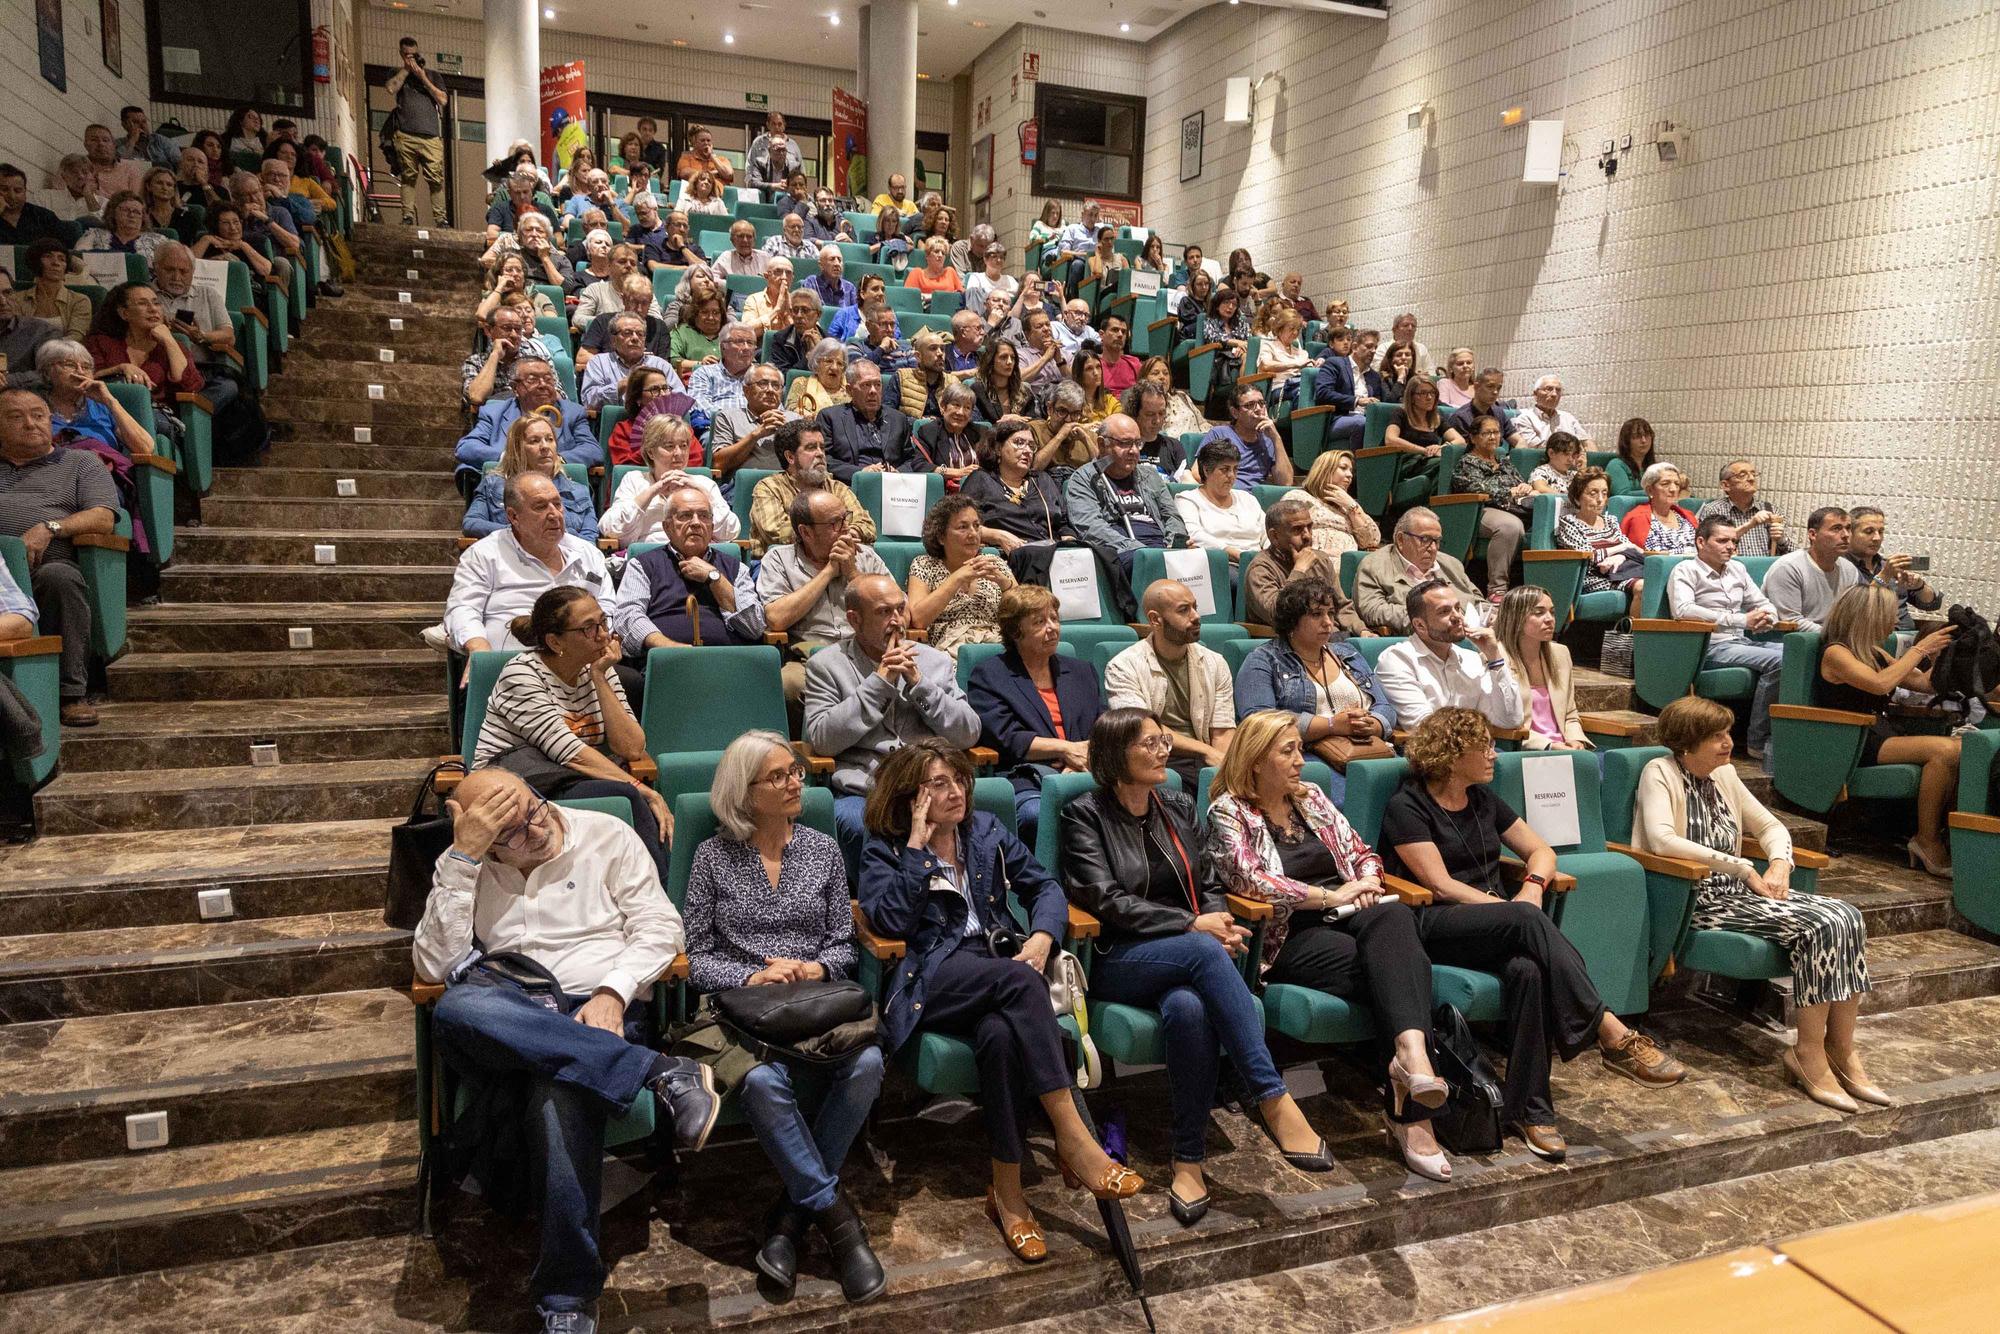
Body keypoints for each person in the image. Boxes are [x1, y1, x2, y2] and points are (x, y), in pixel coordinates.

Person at [413, 766, 716, 1334]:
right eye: (517, 832)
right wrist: (464, 859)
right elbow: (435, 966)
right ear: (484, 838)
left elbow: (660, 927)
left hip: (598, 1008)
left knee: (558, 1095)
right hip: (508, 1010)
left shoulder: (605, 834)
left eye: (535, 808)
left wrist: (612, 991)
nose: (539, 827)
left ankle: (568, 1296)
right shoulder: (466, 865)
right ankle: (656, 1072)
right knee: (458, 1008)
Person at [1062, 709, 1338, 1222]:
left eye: (1164, 740)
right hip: (1116, 956)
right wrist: (1194, 926)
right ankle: (1271, 1097)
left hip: (1185, 958)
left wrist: (1215, 917)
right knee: (1206, 952)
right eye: (1149, 743)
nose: (1164, 749)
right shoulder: (1084, 813)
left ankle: (1188, 1160)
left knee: (1188, 1010)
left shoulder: (1177, 804)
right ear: (1115, 754)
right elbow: (1104, 899)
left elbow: (1209, 880)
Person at [1384, 708, 1686, 1160]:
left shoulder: (1482, 799)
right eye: (1482, 746)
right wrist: (1514, 911)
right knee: (1527, 921)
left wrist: (1533, 886)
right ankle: (1610, 1032)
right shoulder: (1407, 806)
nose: (1494, 755)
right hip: (1436, 923)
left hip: (1499, 923)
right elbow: (1440, 885)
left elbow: (1540, 850)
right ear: (1451, 755)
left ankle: (1533, 1112)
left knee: (1529, 971)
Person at [681, 733, 888, 1303]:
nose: (796, 781)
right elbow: (695, 954)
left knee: (867, 1062)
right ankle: (839, 1223)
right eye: (778, 776)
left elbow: (843, 943)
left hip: (816, 1001)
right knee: (762, 1080)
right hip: (742, 1010)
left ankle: (789, 1221)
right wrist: (749, 975)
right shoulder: (711, 856)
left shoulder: (822, 849)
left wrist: (815, 968)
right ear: (743, 793)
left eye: (795, 771)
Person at [1205, 710, 1450, 1181]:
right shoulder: (1229, 811)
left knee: (1394, 916)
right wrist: (1327, 895)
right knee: (1400, 974)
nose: (1301, 760)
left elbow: (1361, 852)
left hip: (1351, 917)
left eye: (1300, 748)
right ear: (1255, 760)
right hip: (1289, 935)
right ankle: (1414, 1116)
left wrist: (1364, 883)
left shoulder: (1312, 798)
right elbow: (1250, 880)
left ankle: (1412, 1061)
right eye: (1288, 751)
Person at [1633, 696, 1881, 1107]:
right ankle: (1807, 1053)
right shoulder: (1658, 772)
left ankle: (1841, 1050)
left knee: (1848, 915)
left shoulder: (1724, 774)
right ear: (1687, 743)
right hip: (1697, 900)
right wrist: (1743, 868)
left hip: (1738, 896)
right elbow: (1661, 839)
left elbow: (1770, 826)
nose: (1728, 742)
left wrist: (1780, 864)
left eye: (1728, 732)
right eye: (1716, 736)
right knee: (1820, 924)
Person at [470, 585, 671, 873]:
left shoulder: (599, 668)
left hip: (570, 778)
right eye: (589, 628)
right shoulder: (522, 674)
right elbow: (569, 752)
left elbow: (631, 747)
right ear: (555, 642)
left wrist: (600, 678)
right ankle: (662, 894)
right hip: (513, 783)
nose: (603, 634)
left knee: (627, 794)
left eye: (603, 622)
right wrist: (643, 790)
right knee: (629, 796)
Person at [804, 575, 982, 853]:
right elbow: (822, 740)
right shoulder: (825, 666)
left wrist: (920, 685)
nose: (897, 620)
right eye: (884, 612)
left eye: (900, 608)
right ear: (855, 619)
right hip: (866, 790)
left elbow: (968, 733)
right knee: (855, 824)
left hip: (932, 785)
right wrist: (879, 684)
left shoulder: (934, 661)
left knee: (982, 822)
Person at [0, 388, 119, 725]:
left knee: (61, 578)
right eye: (15, 416)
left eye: (38, 415)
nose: (30, 424)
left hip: (42, 568)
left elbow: (103, 517)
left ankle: (71, 693)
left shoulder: (81, 462)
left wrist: (50, 527)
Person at [1235, 579, 1394, 799]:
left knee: (1415, 797)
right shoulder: (1263, 660)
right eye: (1317, 614)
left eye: (1330, 613)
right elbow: (1260, 720)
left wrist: (1371, 724)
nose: (1328, 622)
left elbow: (1384, 706)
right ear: (1292, 620)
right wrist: (1331, 725)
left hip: (1368, 749)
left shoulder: (1347, 653)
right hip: (1306, 756)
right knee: (1349, 800)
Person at [966, 585, 1103, 838]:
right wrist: (1065, 749)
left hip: (1088, 770)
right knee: (1036, 815)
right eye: (1039, 622)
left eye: (1054, 618)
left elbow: (1104, 725)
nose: (1051, 627)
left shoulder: (1082, 671)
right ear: (1016, 631)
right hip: (1030, 777)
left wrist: (1085, 757)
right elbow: (1007, 736)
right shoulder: (990, 675)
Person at [445, 473, 612, 665]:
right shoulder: (484, 554)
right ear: (513, 516)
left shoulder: (588, 554)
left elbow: (607, 606)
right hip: (509, 665)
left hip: (582, 663)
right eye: (540, 507)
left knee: (631, 683)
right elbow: (463, 608)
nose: (554, 515)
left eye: (557, 504)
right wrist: (478, 647)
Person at [759, 489, 892, 709]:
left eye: (845, 518)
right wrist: (829, 571)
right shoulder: (779, 560)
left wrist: (852, 573)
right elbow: (775, 618)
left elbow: (900, 612)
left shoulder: (866, 557)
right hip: (809, 658)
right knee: (788, 684)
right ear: (806, 532)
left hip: (868, 651)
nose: (846, 528)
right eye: (834, 523)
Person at [1668, 516, 1785, 764]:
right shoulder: (1686, 570)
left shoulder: (1738, 569)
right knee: (1782, 660)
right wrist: (1741, 620)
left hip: (1741, 644)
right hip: (1708, 647)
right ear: (1701, 542)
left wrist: (1769, 617)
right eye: (1722, 541)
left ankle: (1787, 736)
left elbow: (1762, 602)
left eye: (1734, 540)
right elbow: (1683, 610)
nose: (1731, 546)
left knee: (1798, 654)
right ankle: (1757, 741)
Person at [1104, 581, 1237, 787]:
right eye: (1184, 610)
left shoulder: (1215, 663)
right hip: (1155, 758)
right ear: (1155, 619)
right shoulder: (1123, 666)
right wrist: (1207, 752)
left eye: (1195, 607)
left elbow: (1222, 731)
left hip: (1204, 760)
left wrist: (1226, 769)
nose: (1196, 616)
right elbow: (1143, 730)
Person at [610, 484, 762, 652]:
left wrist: (714, 578)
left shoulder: (735, 568)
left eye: (704, 516)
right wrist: (668, 647)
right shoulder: (643, 565)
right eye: (685, 515)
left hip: (725, 662)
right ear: (667, 527)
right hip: (666, 661)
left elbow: (754, 627)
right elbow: (628, 615)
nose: (696, 523)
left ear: (712, 526)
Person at [1378, 580, 1525, 733]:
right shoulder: (1398, 660)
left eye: (1457, 608)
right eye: (1444, 611)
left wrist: (1495, 657)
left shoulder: (1471, 659)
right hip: (1431, 755)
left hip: (1481, 751)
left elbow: (1510, 720)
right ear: (1420, 625)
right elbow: (1425, 728)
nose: (1457, 617)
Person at [1064, 413, 1191, 571]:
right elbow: (1091, 528)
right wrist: (1143, 551)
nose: (1134, 451)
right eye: (1125, 443)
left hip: (1162, 548)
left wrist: (1173, 545)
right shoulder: (1084, 479)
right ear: (1102, 444)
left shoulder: (1149, 475)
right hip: (1122, 553)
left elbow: (1171, 515)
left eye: (1137, 443)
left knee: (1209, 564)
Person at [454, 361, 600, 489]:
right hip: (505, 487)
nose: (543, 385)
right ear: (515, 388)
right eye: (533, 380)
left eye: (548, 379)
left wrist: (556, 458)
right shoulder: (494, 412)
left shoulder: (572, 412)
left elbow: (593, 450)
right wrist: (512, 458)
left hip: (557, 486)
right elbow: (465, 447)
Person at [601, 414, 735, 547]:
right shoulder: (634, 480)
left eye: (683, 446)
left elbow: (730, 532)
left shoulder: (704, 483)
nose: (678, 453)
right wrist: (654, 490)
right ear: (651, 452)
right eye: (669, 446)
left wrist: (701, 492)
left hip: (695, 557)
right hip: (649, 557)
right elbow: (610, 529)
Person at [462, 412, 598, 542]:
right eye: (534, 441)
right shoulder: (493, 484)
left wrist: (555, 536)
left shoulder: (579, 492)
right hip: (510, 559)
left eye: (549, 439)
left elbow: (589, 540)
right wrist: (519, 532)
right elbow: (471, 523)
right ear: (517, 449)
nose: (545, 446)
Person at [747, 420, 874, 558]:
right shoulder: (769, 488)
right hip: (782, 564)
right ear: (790, 457)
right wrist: (835, 534)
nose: (820, 453)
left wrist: (850, 532)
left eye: (822, 447)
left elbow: (866, 524)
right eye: (811, 447)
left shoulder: (837, 488)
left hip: (835, 558)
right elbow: (776, 531)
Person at [909, 496, 1016, 659]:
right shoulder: (925, 565)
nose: (973, 534)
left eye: (976, 526)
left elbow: (1025, 613)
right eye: (963, 527)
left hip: (998, 648)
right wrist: (957, 578)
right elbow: (917, 619)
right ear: (941, 537)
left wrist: (1005, 584)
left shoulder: (995, 563)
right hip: (950, 653)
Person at [84, 283, 202, 426]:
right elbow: (84, 379)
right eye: (143, 303)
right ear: (124, 313)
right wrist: (120, 368)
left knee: (141, 420)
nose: (153, 309)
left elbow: (190, 387)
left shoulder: (172, 347)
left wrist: (169, 340)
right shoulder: (100, 342)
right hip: (106, 411)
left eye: (156, 303)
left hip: (155, 416)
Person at [1242, 498, 1367, 633]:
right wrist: (1299, 570)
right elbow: (1278, 614)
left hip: (1331, 639)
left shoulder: (1321, 560)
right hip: (1285, 646)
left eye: (1309, 527)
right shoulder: (1261, 569)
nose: (1307, 535)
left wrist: (1362, 631)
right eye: (1297, 529)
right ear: (1274, 536)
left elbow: (1341, 606)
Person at [1354, 508, 1480, 634]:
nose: (1433, 548)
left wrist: (1491, 615)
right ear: (1401, 540)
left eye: (1436, 541)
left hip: (1470, 634)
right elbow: (1372, 609)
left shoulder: (1451, 563)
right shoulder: (1374, 565)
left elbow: (1478, 600)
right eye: (1425, 539)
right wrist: (1429, 618)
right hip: (1417, 640)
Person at [1494, 586, 1590, 750]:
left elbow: (1570, 714)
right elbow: (1502, 724)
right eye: (1539, 613)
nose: (1549, 619)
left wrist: (1576, 740)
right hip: (1528, 750)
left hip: (1565, 748)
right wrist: (1550, 745)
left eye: (1552, 612)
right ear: (1515, 617)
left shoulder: (1560, 653)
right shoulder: (1495, 657)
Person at [958, 416, 1074, 551]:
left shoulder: (1043, 480)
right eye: (1019, 443)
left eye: (1031, 446)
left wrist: (1070, 542)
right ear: (998, 448)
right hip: (1008, 557)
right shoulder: (981, 479)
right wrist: (997, 535)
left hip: (1051, 554)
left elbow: (1063, 523)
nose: (1027, 451)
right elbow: (960, 523)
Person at [1450, 413, 1532, 599]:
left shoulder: (1504, 462)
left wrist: (1525, 487)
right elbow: (1474, 488)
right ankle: (1497, 590)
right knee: (1509, 527)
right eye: (1487, 433)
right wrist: (1509, 492)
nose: (1494, 437)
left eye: (1496, 432)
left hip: (1514, 507)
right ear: (1473, 437)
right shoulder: (1467, 462)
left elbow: (1519, 482)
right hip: (1478, 510)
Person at [36, 339, 153, 458]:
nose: (80, 372)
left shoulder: (103, 407)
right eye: (70, 365)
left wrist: (110, 401)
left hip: (100, 473)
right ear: (47, 371)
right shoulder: (34, 407)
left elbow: (145, 448)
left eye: (86, 367)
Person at [1556, 467, 1647, 616]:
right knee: (1643, 588)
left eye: (1604, 493)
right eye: (1593, 493)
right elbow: (1589, 558)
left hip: (1620, 572)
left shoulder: (1610, 521)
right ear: (1578, 497)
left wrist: (1620, 556)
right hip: (1593, 578)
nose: (1600, 499)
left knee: (1660, 583)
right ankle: (1633, 638)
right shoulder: (1570, 523)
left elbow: (1630, 550)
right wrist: (1620, 548)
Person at [1763, 507, 1859, 634]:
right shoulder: (1788, 567)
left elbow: (1849, 616)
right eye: (1836, 529)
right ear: (1813, 534)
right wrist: (1835, 638)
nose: (1846, 535)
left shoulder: (1849, 569)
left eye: (1848, 528)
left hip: (1831, 639)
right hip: (1789, 642)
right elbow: (1791, 621)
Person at [1845, 506, 1941, 631]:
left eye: (1881, 531)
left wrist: (1918, 586)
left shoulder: (1888, 565)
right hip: (1869, 639)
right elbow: (1857, 611)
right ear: (1849, 533)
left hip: (1907, 640)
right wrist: (1884, 575)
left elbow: (1933, 604)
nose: (1877, 538)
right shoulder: (1842, 568)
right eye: (1869, 531)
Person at [816, 360, 913, 482]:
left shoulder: (898, 419)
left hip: (893, 487)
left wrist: (898, 472)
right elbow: (824, 459)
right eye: (866, 385)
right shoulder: (830, 417)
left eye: (878, 384)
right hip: (850, 486)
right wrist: (860, 473)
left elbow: (912, 459)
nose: (873, 391)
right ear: (849, 390)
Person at [387, 36, 448, 226]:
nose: (411, 59)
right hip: (405, 134)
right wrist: (406, 69)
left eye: (413, 55)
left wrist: (422, 77)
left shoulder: (433, 75)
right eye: (407, 55)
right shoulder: (397, 72)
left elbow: (443, 100)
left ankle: (440, 219)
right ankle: (408, 216)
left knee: (436, 178)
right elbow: (390, 88)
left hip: (431, 136)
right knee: (408, 176)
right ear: (401, 54)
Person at [1175, 438, 1266, 565]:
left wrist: (1271, 555)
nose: (1232, 476)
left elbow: (1268, 533)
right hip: (1222, 564)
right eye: (1225, 469)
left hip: (1260, 563)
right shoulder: (1188, 499)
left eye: (1235, 469)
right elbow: (1195, 535)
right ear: (1206, 470)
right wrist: (1237, 554)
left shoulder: (1248, 499)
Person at [1284, 448, 1381, 559]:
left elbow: (1372, 541)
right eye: (1343, 468)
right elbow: (1287, 537)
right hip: (1314, 562)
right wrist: (1326, 554)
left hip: (1349, 564)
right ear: (1324, 470)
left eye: (1351, 470)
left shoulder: (1347, 507)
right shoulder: (1299, 497)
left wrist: (1352, 507)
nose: (1350, 475)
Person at [1201, 383, 1293, 489]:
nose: (1258, 409)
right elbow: (1198, 474)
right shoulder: (1219, 434)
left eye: (1261, 403)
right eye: (1250, 405)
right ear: (1235, 412)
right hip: (1228, 494)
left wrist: (1276, 438)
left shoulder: (1269, 439)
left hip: (1257, 498)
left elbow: (1286, 483)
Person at [462, 304, 554, 409]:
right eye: (507, 328)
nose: (514, 335)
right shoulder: (475, 362)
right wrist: (495, 356)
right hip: (496, 421)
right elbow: (476, 397)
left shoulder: (538, 357)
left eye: (518, 329)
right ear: (488, 330)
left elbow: (559, 395)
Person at [1696, 459, 1790, 558]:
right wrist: (1751, 524)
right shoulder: (1713, 510)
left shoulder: (1771, 510)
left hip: (1764, 570)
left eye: (1754, 474)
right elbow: (1704, 548)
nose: (1751, 478)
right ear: (1725, 485)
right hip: (1728, 570)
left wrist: (1781, 539)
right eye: (1742, 475)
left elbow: (1790, 554)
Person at [1381, 375, 1448, 494]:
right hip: (1405, 464)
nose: (1429, 397)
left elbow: (1459, 440)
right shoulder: (1401, 414)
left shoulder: (1436, 419)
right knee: (1443, 463)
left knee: (1452, 461)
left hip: (1427, 461)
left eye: (1432, 393)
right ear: (1412, 397)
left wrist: (1441, 447)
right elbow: (1390, 439)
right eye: (1423, 393)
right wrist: (1423, 450)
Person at [1621, 462, 1697, 554]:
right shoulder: (1638, 518)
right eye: (1665, 484)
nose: (1673, 489)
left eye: (1677, 484)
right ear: (1650, 490)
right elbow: (1637, 555)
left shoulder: (1687, 516)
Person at [1131, 356, 1207, 441]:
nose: (1162, 377)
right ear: (1144, 378)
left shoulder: (1182, 396)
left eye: (1166, 373)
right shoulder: (1142, 403)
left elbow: (1202, 424)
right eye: (1155, 373)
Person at [0, 163, 71, 247]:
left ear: (25, 192)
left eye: (17, 190)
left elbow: (65, 249)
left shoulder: (44, 217)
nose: (12, 196)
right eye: (4, 189)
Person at [1513, 375, 1591, 449]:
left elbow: (1587, 442)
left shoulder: (1568, 418)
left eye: (1558, 390)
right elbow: (1535, 449)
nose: (1554, 394)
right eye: (1549, 389)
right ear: (1535, 394)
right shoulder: (1525, 418)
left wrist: (1595, 461)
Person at [1443, 366, 1515, 445]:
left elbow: (1519, 440)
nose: (1495, 392)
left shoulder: (1499, 413)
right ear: (1476, 386)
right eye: (1490, 386)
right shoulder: (1460, 417)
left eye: (1498, 388)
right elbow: (1468, 451)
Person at [788, 337, 852, 417]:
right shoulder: (801, 383)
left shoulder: (851, 388)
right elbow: (791, 409)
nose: (834, 367)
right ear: (817, 363)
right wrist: (804, 415)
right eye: (829, 361)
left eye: (839, 363)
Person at [963, 240, 1018, 316]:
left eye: (1001, 257)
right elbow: (973, 305)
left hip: (1007, 319)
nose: (998, 260)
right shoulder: (976, 278)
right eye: (994, 257)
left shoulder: (1010, 280)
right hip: (982, 318)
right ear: (985, 259)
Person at [1527, 431, 1583, 501]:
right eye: (1566, 454)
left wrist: (1583, 469)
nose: (1570, 459)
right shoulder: (1542, 471)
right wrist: (1569, 499)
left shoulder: (1574, 474)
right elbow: (1540, 488)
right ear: (1551, 453)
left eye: (1573, 455)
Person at [1607, 416, 1656, 495]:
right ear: (1626, 441)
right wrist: (1656, 493)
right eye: (1637, 436)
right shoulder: (1616, 465)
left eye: (1647, 435)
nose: (1643, 440)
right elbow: (1622, 495)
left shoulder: (1654, 467)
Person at [1375, 341, 1418, 406]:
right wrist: (1400, 378)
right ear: (1391, 359)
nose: (1404, 358)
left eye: (1407, 354)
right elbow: (1388, 403)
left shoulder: (1417, 379)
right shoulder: (1382, 378)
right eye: (1399, 355)